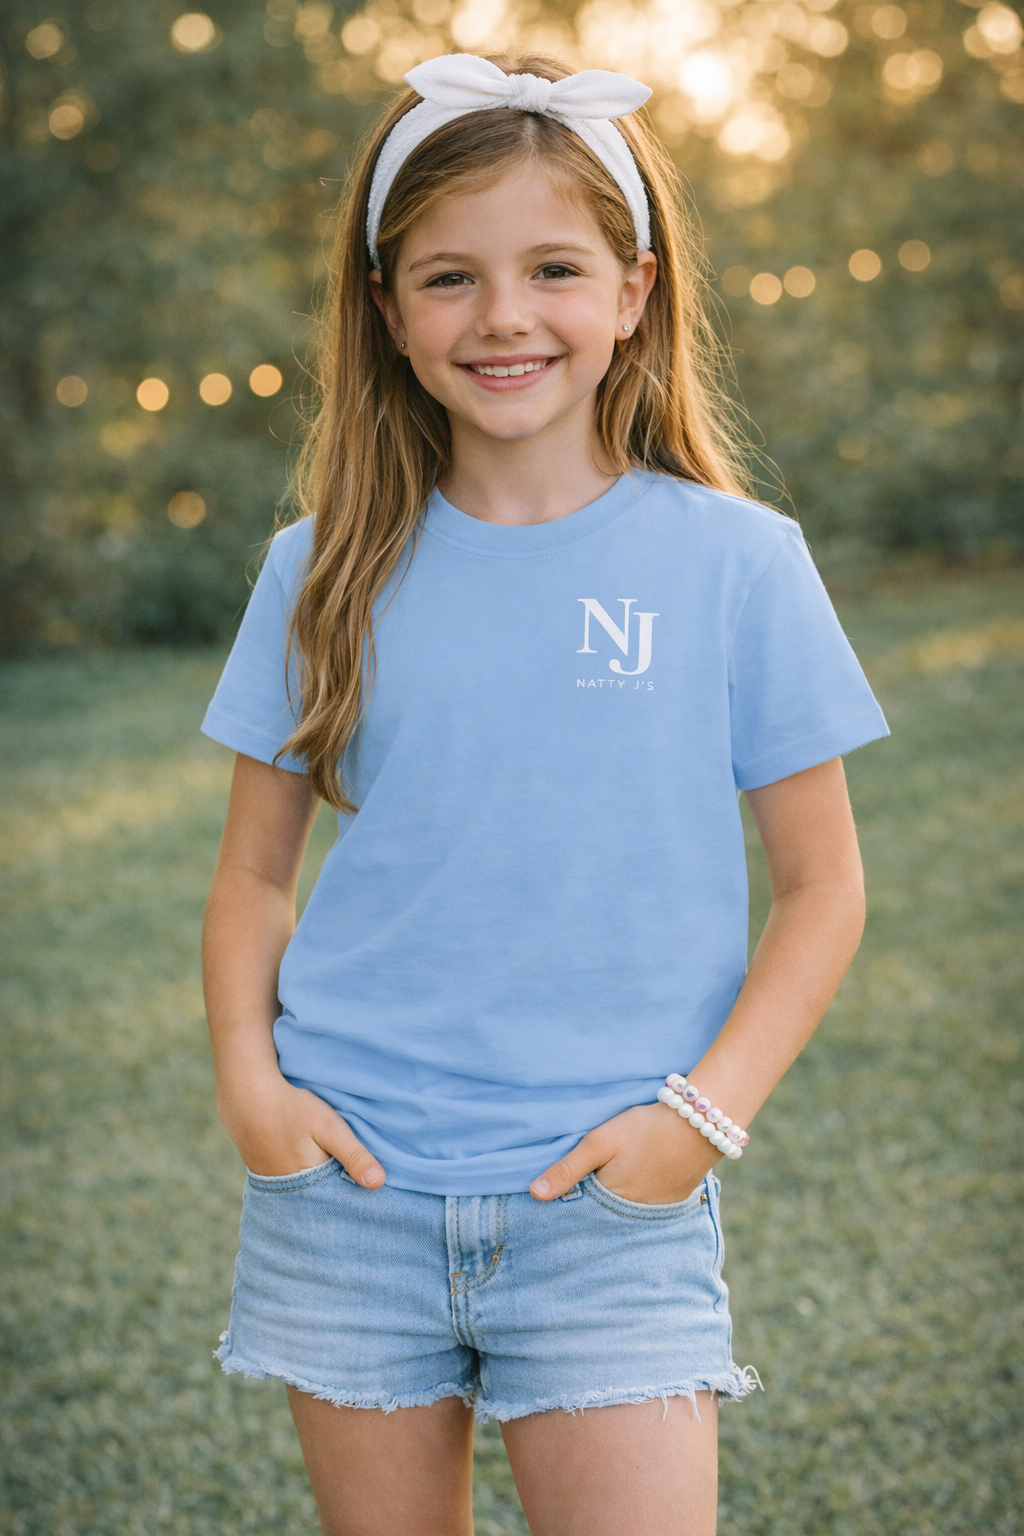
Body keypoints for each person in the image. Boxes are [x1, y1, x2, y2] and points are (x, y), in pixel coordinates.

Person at [201, 50, 888, 1536]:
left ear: (634, 291)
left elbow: (825, 889)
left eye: (553, 268)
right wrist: (257, 1093)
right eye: (448, 277)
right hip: (354, 1193)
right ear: (386, 312)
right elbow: (256, 876)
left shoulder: (737, 564)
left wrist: (696, 1124)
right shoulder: (320, 568)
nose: (503, 317)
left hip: (611, 1207)